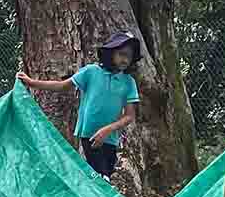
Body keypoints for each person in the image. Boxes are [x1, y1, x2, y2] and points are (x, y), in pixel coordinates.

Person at [16, 31, 142, 177]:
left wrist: (107, 130)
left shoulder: (128, 82)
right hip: (90, 135)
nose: (125, 60)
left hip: (110, 139)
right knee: (101, 178)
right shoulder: (91, 72)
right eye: (122, 54)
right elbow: (62, 86)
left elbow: (129, 116)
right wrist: (32, 83)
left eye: (129, 56)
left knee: (104, 177)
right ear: (111, 52)